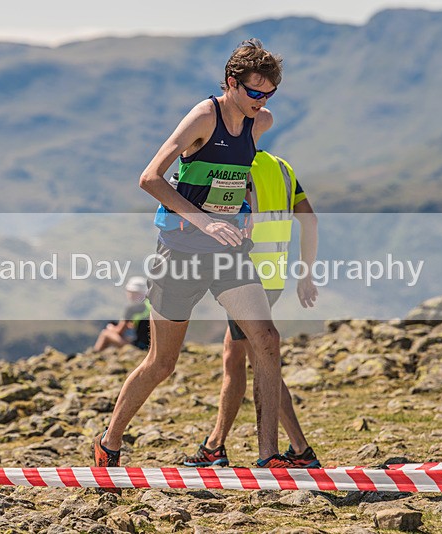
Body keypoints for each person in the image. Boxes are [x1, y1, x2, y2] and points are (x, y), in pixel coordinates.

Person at [95, 38, 306, 473]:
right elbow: (150, 178)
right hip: (181, 253)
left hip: (228, 254)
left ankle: (268, 456)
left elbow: (238, 174)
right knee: (162, 363)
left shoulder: (260, 121)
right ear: (231, 82)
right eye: (255, 91)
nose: (262, 101)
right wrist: (204, 221)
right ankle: (109, 441)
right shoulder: (204, 116)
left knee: (267, 340)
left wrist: (244, 209)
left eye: (270, 93)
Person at [183, 150, 320, 468]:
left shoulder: (235, 165)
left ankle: (299, 449)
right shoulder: (282, 167)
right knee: (234, 357)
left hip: (244, 278)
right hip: (274, 275)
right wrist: (306, 274)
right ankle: (215, 444)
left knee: (261, 362)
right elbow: (310, 220)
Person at [93, 276, 151, 352]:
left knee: (105, 334)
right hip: (152, 346)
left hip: (141, 347)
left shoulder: (132, 308)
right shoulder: (151, 305)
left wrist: (111, 328)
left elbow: (119, 331)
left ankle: (94, 354)